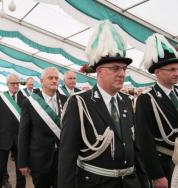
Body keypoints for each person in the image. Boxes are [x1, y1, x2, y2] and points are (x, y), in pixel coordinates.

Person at [58, 20, 148, 188]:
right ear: (99, 71)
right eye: (115, 68)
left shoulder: (126, 101)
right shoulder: (79, 102)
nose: (122, 74)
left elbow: (136, 147)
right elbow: (67, 156)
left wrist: (144, 182)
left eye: (123, 69)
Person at [135, 33, 178, 188]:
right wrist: (156, 175)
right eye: (172, 69)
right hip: (166, 166)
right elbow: (144, 141)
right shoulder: (146, 99)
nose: (177, 73)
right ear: (158, 72)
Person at [18, 67, 67, 188]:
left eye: (56, 78)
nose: (54, 80)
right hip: (39, 161)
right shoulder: (30, 102)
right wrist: (23, 162)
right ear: (41, 81)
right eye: (50, 78)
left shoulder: (66, 100)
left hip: (62, 160)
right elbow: (24, 134)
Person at [0, 74, 26, 188]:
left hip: (20, 139)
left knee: (21, 169)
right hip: (2, 139)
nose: (15, 86)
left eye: (17, 83)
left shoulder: (24, 98)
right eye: (13, 83)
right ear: (7, 84)